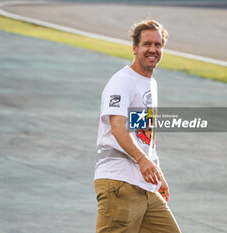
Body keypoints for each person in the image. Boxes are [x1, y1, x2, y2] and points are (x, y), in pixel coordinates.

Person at [94, 20, 182, 233]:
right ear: (135, 47)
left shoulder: (150, 83)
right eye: (147, 44)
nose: (153, 49)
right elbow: (118, 127)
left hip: (144, 185)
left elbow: (144, 135)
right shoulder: (122, 81)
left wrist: (157, 172)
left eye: (158, 45)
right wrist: (143, 161)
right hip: (120, 181)